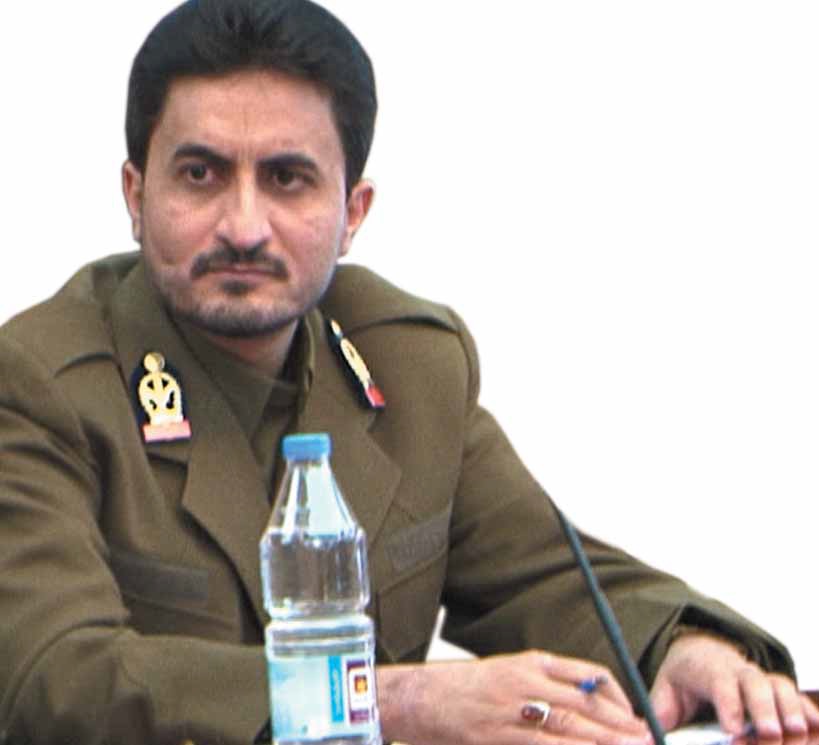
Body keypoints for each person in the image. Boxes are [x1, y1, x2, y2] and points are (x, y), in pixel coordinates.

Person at [0, 1, 816, 744]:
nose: (243, 226)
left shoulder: (410, 360)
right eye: (200, 174)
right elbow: (53, 679)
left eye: (286, 179)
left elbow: (539, 574)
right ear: (135, 194)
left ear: (351, 213)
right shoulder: (38, 382)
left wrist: (680, 646)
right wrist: (390, 699)